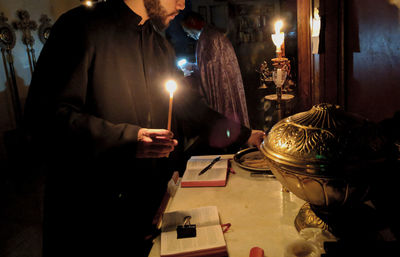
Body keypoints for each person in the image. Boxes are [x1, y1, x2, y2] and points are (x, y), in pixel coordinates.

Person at [23, 1, 264, 256]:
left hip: (145, 214)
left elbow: (189, 108)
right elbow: (45, 119)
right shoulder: (81, 26)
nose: (182, 5)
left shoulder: (158, 44)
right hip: (90, 218)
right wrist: (128, 139)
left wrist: (245, 135)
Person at [180, 11, 250, 128]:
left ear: (192, 22)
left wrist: (189, 73)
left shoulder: (206, 40)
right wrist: (193, 66)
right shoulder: (213, 34)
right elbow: (211, 68)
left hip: (219, 92)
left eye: (187, 30)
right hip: (227, 86)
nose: (188, 34)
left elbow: (207, 75)